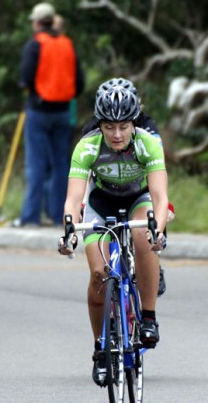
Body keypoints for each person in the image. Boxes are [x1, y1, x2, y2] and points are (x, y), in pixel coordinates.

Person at [58, 83, 169, 387]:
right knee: (98, 274)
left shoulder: (148, 143)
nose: (117, 134)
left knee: (144, 237)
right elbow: (73, 200)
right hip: (101, 202)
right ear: (100, 125)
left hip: (138, 199)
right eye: (109, 127)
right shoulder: (87, 146)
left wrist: (158, 229)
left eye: (123, 126)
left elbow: (160, 197)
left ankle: (148, 317)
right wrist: (69, 232)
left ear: (134, 123)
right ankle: (101, 349)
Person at [81, 77, 169, 297]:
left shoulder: (146, 125)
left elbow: (157, 170)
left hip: (140, 185)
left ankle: (153, 260)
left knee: (146, 229)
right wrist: (82, 204)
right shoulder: (93, 128)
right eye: (110, 125)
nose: (116, 131)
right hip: (104, 188)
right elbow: (86, 171)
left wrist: (165, 208)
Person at [14, 2, 85, 227]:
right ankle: (58, 216)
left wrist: (33, 90)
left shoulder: (35, 44)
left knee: (36, 164)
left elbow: (25, 78)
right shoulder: (67, 44)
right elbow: (80, 83)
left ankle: (30, 217)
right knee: (60, 165)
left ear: (36, 22)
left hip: (39, 110)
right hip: (63, 112)